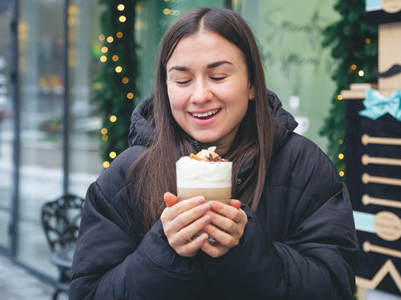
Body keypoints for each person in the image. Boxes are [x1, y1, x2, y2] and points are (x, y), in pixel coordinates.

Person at [69, 7, 358, 300]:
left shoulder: (303, 166)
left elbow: (336, 287)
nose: (199, 96)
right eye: (182, 80)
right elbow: (88, 293)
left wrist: (249, 250)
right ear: (165, 88)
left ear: (252, 85)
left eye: (218, 76)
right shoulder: (129, 173)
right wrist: (162, 250)